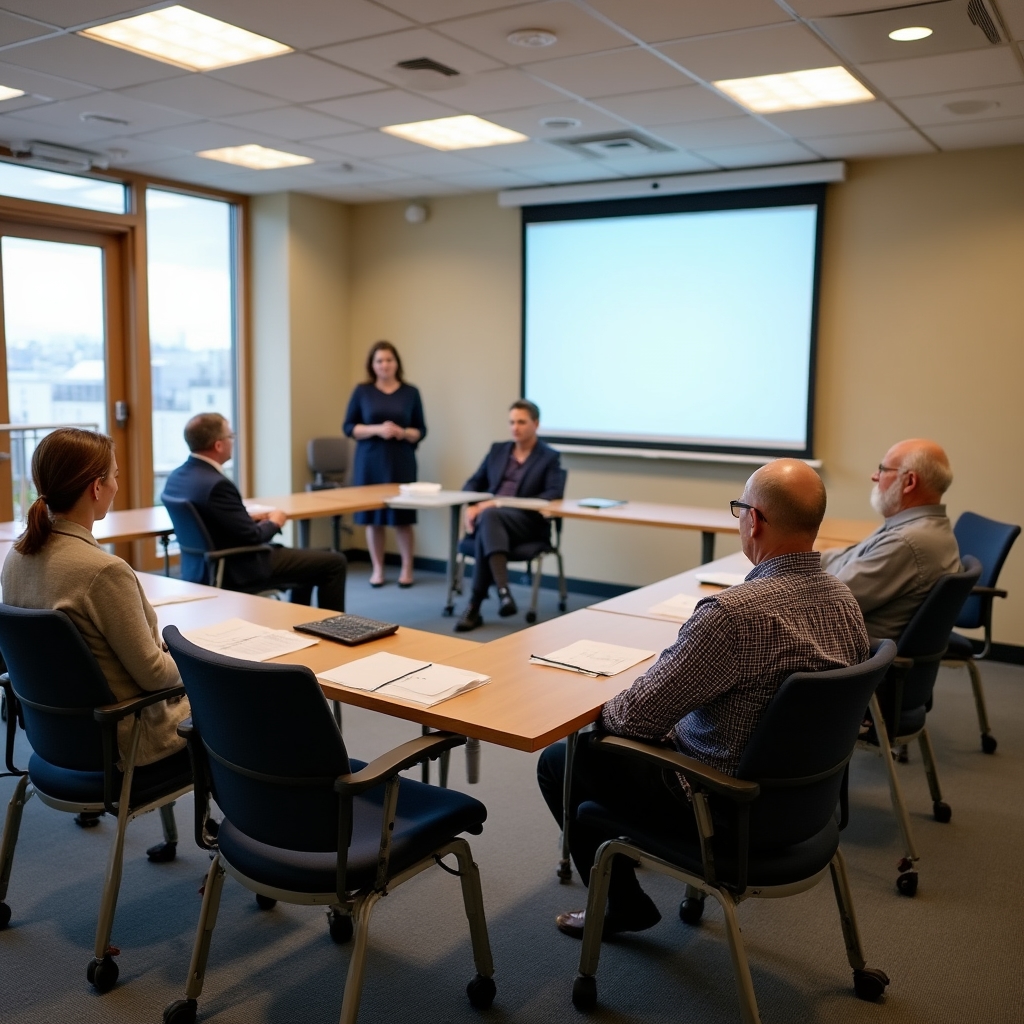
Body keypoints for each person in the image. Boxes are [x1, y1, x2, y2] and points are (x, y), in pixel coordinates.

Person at [536, 459, 869, 939]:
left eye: (738, 509)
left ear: (752, 520)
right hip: (805, 810)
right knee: (595, 789)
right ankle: (621, 869)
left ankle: (621, 903)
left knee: (564, 758)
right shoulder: (843, 601)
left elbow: (632, 719)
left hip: (720, 805)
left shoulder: (732, 616)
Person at [2, 428, 191, 831]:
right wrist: (193, 666)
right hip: (124, 740)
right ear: (96, 487)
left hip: (56, 738)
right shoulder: (102, 572)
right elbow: (155, 675)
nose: (118, 485)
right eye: (116, 475)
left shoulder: (16, 558)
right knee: (239, 710)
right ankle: (240, 848)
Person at [162, 413, 347, 611]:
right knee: (334, 562)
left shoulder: (177, 477)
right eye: (230, 437)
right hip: (238, 567)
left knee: (310, 563)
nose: (232, 442)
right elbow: (253, 536)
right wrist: (275, 521)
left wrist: (242, 517)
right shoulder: (217, 485)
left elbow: (211, 518)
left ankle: (300, 619)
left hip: (200, 566)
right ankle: (334, 631)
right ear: (218, 445)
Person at [820, 439, 960, 640]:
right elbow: (847, 555)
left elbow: (825, 602)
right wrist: (794, 561)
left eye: (882, 469)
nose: (874, 476)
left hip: (847, 653)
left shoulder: (906, 542)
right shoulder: (915, 526)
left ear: (909, 482)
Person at [454, 399, 564, 632]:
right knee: (489, 519)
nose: (515, 427)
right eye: (512, 422)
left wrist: (495, 504)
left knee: (489, 517)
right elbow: (473, 482)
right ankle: (501, 594)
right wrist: (473, 505)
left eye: (522, 422)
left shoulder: (549, 457)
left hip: (527, 523)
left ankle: (479, 602)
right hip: (492, 524)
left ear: (536, 424)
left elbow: (553, 494)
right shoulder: (498, 450)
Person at [343, 341, 426, 587]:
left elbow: (421, 430)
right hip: (370, 461)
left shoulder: (411, 392)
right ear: (372, 365)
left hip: (401, 460)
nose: (385, 365)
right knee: (374, 518)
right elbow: (349, 427)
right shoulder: (362, 391)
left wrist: (403, 432)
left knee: (402, 518)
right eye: (379, 361)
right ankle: (377, 569)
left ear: (396, 363)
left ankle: (406, 568)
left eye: (389, 360)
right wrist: (377, 429)